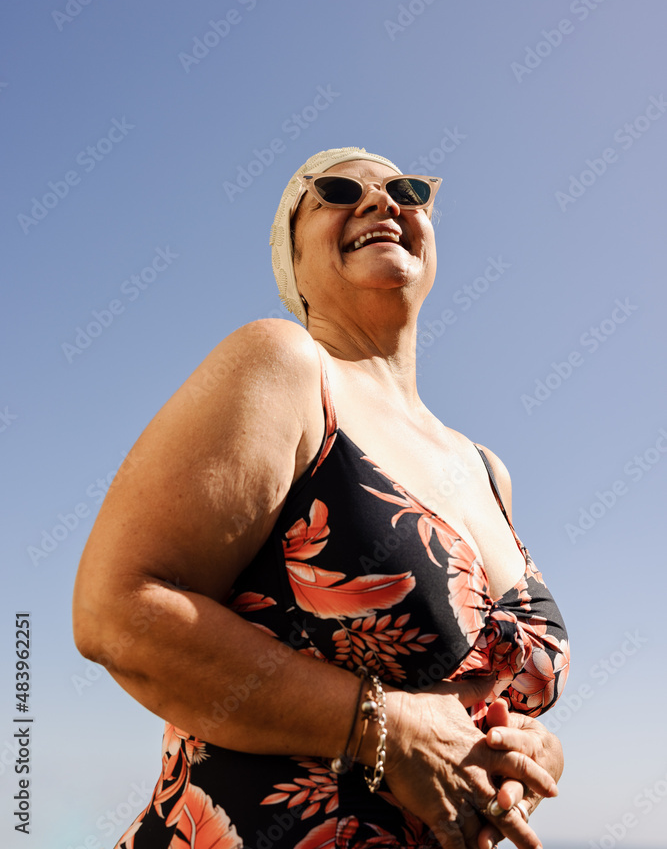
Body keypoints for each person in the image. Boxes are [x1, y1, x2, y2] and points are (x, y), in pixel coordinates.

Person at [72, 146, 570, 849]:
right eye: (338, 190)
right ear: (291, 261)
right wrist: (381, 730)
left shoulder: (486, 468)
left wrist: (529, 753)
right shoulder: (284, 367)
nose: (381, 203)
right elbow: (113, 613)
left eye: (405, 189)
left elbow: (470, 694)